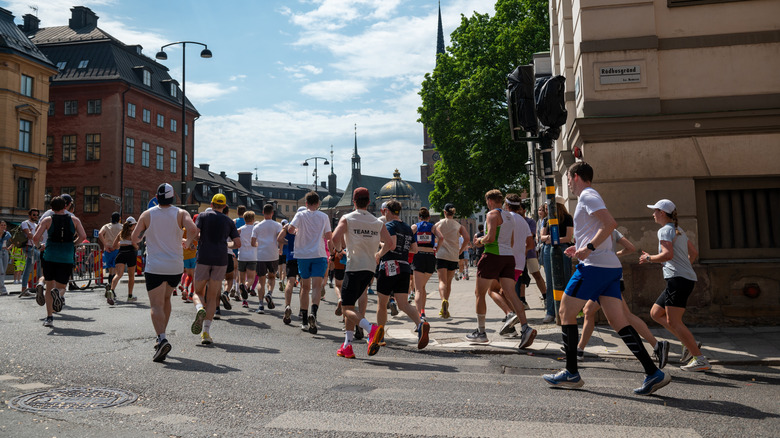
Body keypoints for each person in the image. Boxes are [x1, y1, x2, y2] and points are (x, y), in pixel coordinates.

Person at [543, 162, 671, 396]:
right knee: (619, 321)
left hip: (594, 267)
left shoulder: (588, 196)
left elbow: (610, 223)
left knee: (565, 312)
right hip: (609, 268)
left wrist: (589, 249)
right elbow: (598, 228)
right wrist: (580, 247)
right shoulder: (589, 197)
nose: (569, 183)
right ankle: (653, 372)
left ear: (577, 176)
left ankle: (571, 372)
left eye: (569, 179)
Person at [576, 229, 669, 368]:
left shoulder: (592, 230)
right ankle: (579, 350)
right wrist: (614, 255)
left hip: (605, 276)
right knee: (589, 310)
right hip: (613, 275)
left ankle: (657, 346)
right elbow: (630, 247)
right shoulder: (612, 231)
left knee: (620, 315)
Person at [132, 183, 198, 362]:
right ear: (173, 197)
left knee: (155, 305)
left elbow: (134, 238)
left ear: (157, 196)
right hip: (175, 267)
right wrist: (187, 242)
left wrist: (144, 236)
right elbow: (193, 229)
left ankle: (162, 338)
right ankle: (161, 335)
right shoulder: (181, 213)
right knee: (167, 300)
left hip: (155, 267)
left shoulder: (147, 214)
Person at [641, 199, 709, 372]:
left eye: (655, 211)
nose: (653, 214)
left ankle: (699, 358)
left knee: (673, 320)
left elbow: (667, 255)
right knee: (656, 313)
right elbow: (693, 253)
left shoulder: (664, 231)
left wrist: (649, 258)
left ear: (662, 213)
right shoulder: (679, 230)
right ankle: (689, 344)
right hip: (682, 278)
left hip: (677, 279)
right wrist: (684, 267)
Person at [469, 190, 536, 348]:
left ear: (490, 201)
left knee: (480, 293)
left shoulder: (492, 214)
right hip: (508, 258)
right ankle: (525, 328)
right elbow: (512, 241)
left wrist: (479, 241)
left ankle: (481, 332)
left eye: (487, 202)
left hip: (492, 255)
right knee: (512, 294)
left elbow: (490, 238)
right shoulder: (509, 217)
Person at [331, 187, 392, 358]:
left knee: (345, 308)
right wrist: (379, 254)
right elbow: (390, 244)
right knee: (351, 306)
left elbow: (335, 238)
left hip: (354, 266)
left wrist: (339, 250)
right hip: (369, 269)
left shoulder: (348, 218)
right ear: (369, 202)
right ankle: (347, 346)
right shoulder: (377, 222)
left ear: (354, 202)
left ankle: (371, 329)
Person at [375, 200, 430, 349]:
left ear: (387, 211)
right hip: (405, 267)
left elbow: (391, 244)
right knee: (403, 303)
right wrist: (401, 249)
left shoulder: (389, 225)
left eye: (384, 212)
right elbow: (415, 249)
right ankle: (420, 324)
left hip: (389, 265)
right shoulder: (407, 228)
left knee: (382, 302)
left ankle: (380, 336)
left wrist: (379, 253)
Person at [191, 194, 240, 345]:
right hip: (220, 260)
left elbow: (195, 234)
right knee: (213, 297)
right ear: (224, 206)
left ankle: (200, 308)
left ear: (211, 203)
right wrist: (227, 245)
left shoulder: (203, 216)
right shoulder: (228, 221)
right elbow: (237, 243)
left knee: (198, 292)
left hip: (204, 257)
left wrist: (199, 239)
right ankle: (206, 332)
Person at [32, 196, 87, 327]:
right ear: (65, 207)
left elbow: (35, 238)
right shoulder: (74, 219)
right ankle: (59, 294)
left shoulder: (47, 219)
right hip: (66, 256)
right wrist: (73, 243)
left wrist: (40, 247)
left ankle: (49, 317)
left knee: (49, 285)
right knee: (61, 287)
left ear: (51, 208)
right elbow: (83, 236)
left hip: (50, 255)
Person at [287, 191, 332, 335]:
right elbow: (329, 236)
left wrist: (298, 232)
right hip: (319, 254)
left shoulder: (300, 215)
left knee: (304, 287)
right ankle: (314, 313)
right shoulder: (324, 216)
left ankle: (305, 320)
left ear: (306, 203)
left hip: (303, 254)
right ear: (318, 203)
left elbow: (290, 229)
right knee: (317, 286)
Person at [432, 203, 469, 319]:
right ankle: (446, 303)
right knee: (449, 282)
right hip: (453, 256)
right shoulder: (458, 225)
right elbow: (467, 238)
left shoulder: (439, 223)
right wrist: (461, 250)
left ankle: (443, 300)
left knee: (442, 282)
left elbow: (432, 231)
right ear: (454, 213)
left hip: (441, 255)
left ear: (444, 212)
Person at [540, 196, 574, 322]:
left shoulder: (568, 218)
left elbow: (568, 237)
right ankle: (551, 312)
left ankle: (566, 310)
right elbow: (541, 237)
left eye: (548, 206)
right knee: (549, 281)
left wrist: (553, 239)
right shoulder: (546, 220)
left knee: (565, 279)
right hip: (548, 249)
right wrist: (549, 238)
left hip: (564, 249)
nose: (546, 209)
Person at [251, 204, 281, 313]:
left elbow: (253, 243)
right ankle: (269, 293)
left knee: (261, 281)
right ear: (272, 213)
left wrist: (259, 245)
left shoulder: (257, 226)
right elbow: (280, 239)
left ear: (263, 212)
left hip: (261, 255)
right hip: (273, 255)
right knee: (272, 277)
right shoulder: (278, 225)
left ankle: (260, 305)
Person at [410, 207, 436, 320]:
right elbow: (442, 237)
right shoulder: (433, 227)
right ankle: (423, 311)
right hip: (430, 257)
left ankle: (420, 317)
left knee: (418, 289)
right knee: (423, 287)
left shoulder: (415, 226)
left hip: (419, 256)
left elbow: (407, 237)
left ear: (419, 217)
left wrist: (411, 248)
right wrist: (437, 249)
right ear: (429, 217)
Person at [277, 213, 300, 325]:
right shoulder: (305, 226)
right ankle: (302, 310)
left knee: (290, 282)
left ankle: (287, 305)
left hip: (291, 256)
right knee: (304, 285)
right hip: (303, 256)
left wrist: (288, 241)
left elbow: (279, 238)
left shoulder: (290, 227)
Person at [109, 217, 139, 303]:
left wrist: (120, 244)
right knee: (131, 276)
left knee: (118, 274)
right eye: (135, 224)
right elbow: (134, 243)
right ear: (132, 225)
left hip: (121, 253)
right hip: (130, 253)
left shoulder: (120, 233)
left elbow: (114, 246)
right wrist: (137, 247)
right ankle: (130, 296)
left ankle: (111, 290)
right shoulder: (133, 233)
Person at [236, 210, 258, 308]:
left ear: (244, 219)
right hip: (253, 256)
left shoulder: (239, 230)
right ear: (253, 219)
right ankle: (245, 286)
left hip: (242, 256)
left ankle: (244, 301)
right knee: (250, 279)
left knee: (241, 279)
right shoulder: (256, 229)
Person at [19, 208, 40, 296]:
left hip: (34, 247)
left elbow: (39, 237)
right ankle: (40, 284)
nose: (35, 216)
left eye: (37, 215)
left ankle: (24, 290)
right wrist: (36, 237)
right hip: (28, 247)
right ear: (29, 215)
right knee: (41, 259)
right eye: (34, 215)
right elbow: (29, 235)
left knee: (27, 269)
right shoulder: (25, 223)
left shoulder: (36, 225)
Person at [99, 212, 123, 288]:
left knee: (110, 270)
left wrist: (105, 244)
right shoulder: (121, 227)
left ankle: (110, 285)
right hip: (117, 249)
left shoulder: (106, 226)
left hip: (108, 250)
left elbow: (100, 233)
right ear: (119, 218)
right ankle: (112, 288)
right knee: (116, 271)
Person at [0, 220, 11, 295]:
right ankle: (2, 288)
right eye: (1, 225)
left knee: (4, 271)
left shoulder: (7, 234)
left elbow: (14, 240)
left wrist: (9, 248)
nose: (3, 226)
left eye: (4, 225)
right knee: (1, 271)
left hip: (5, 252)